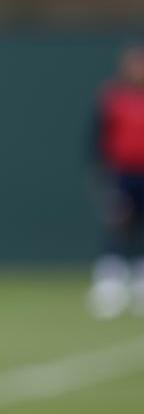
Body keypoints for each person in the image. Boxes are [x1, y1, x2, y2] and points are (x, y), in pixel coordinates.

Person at [86, 44, 144, 318]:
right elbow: (98, 138)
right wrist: (102, 174)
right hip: (121, 174)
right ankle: (110, 288)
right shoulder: (112, 97)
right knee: (118, 227)